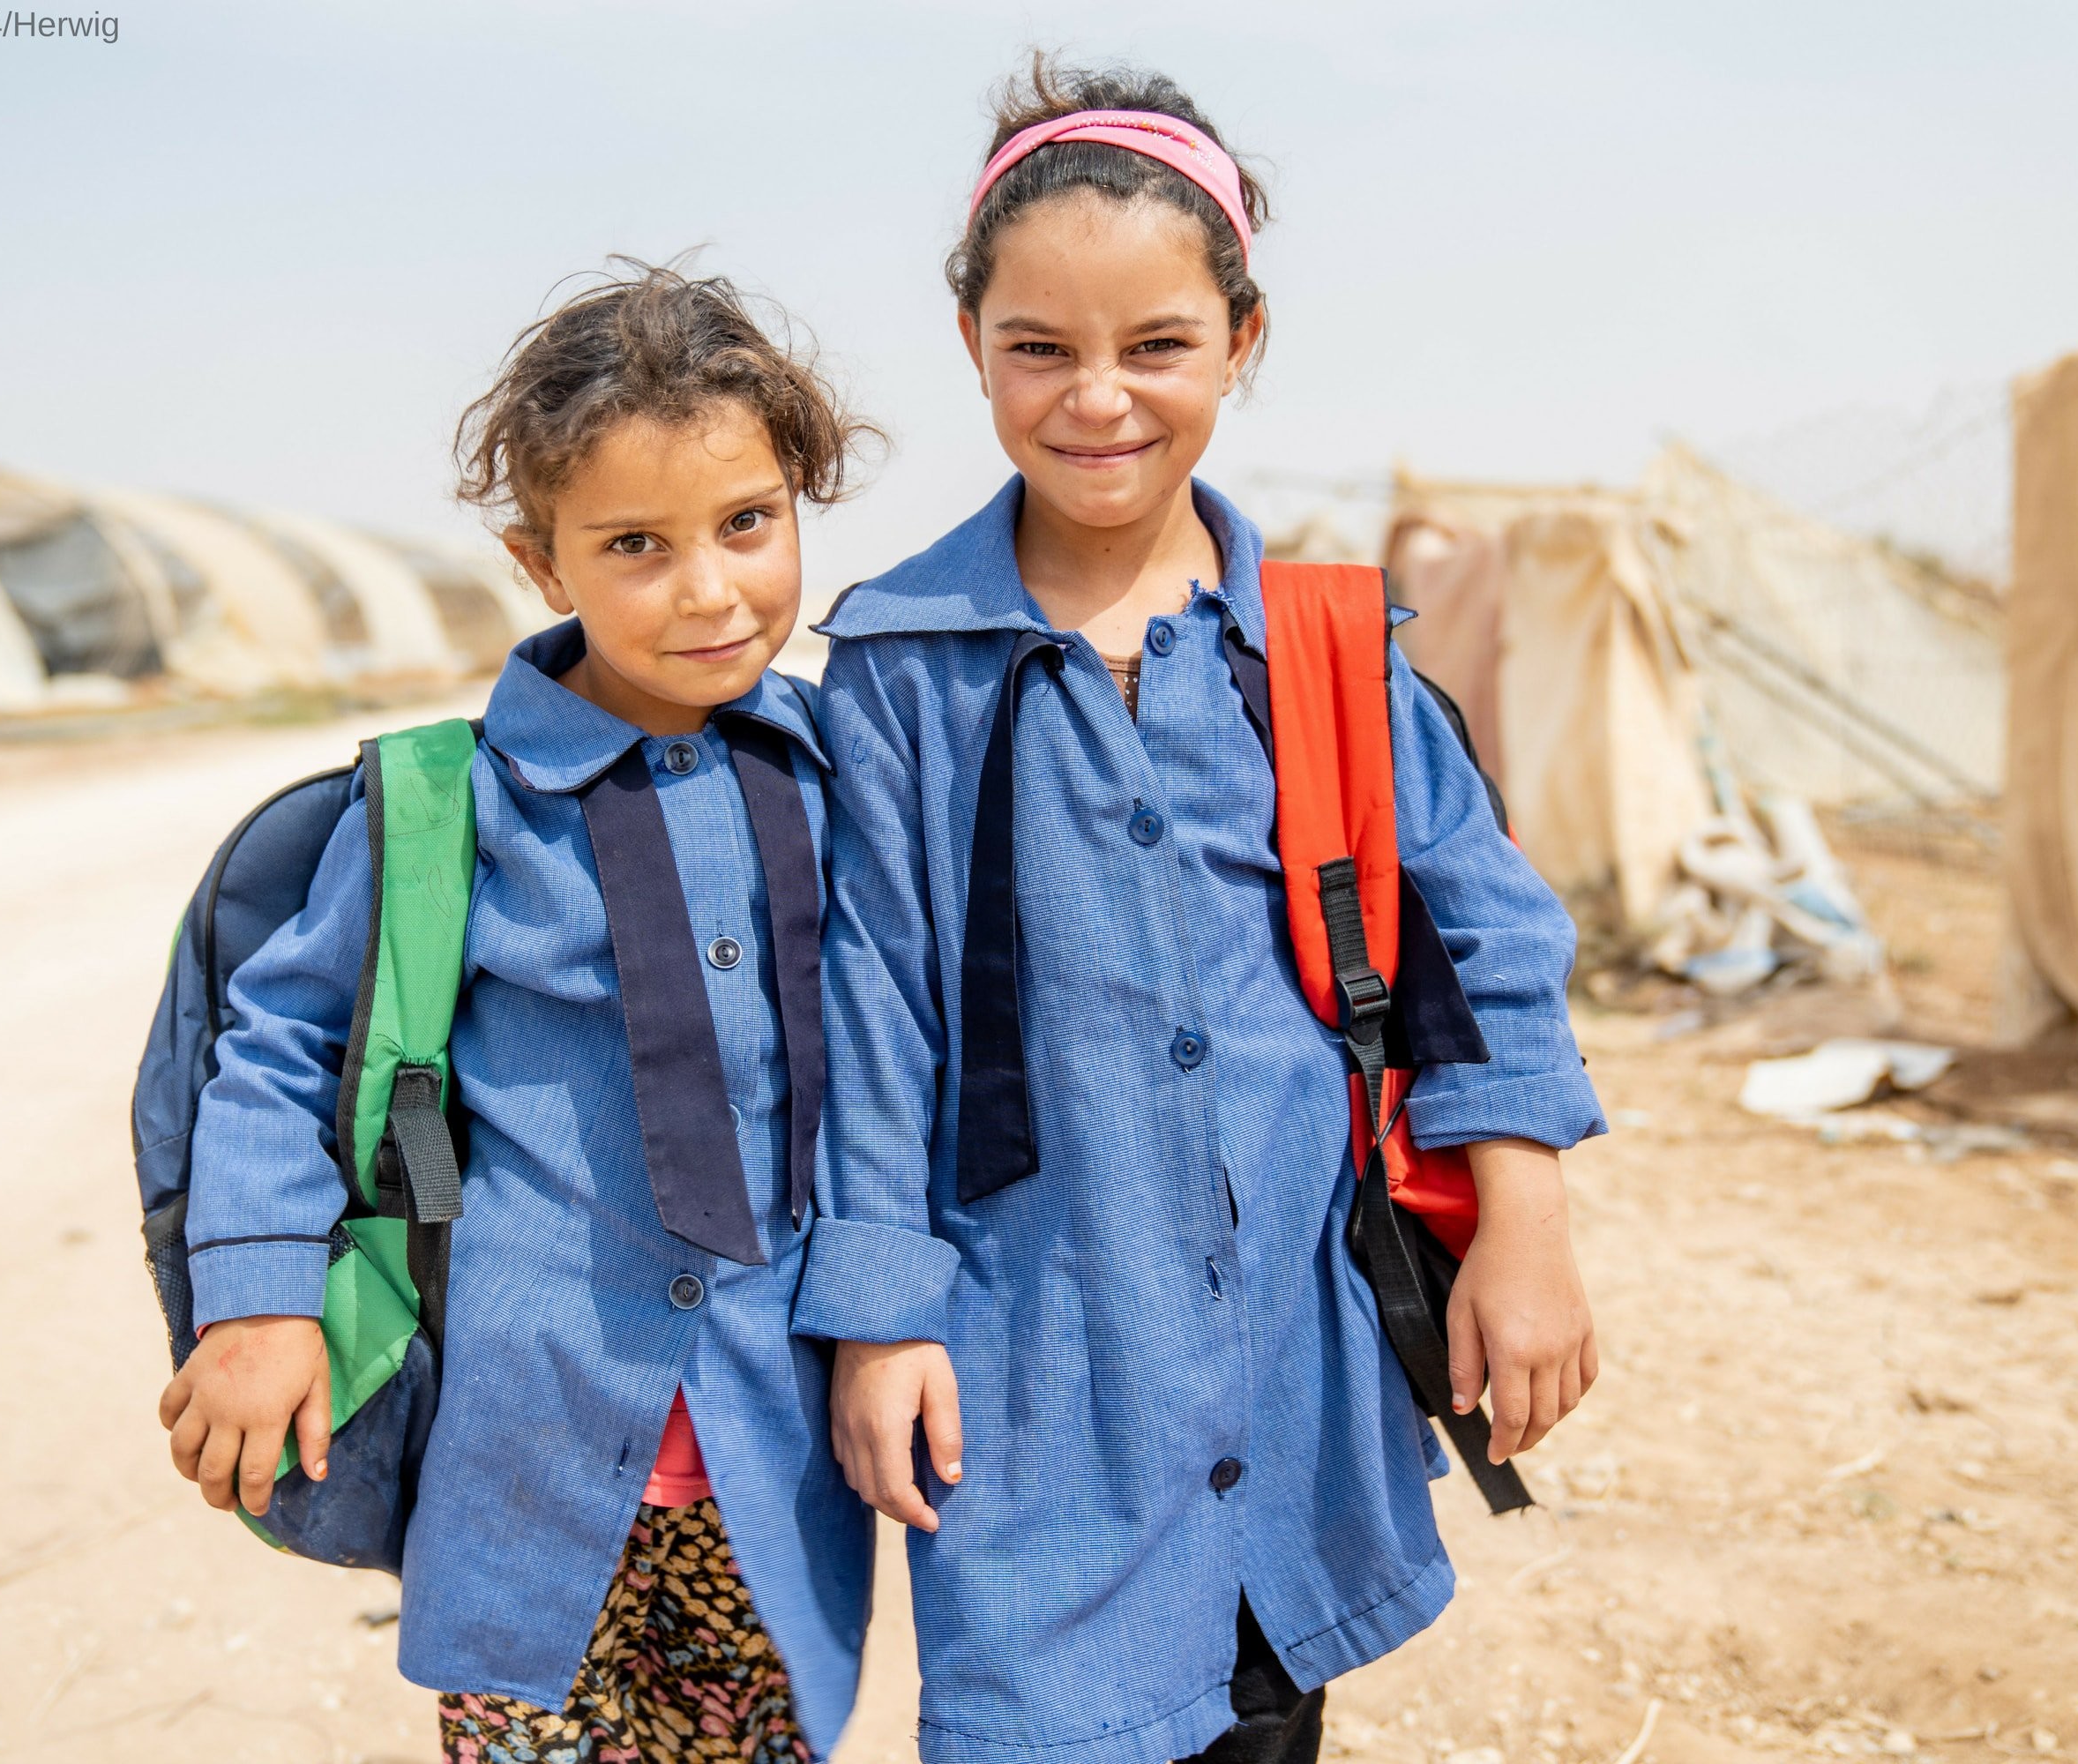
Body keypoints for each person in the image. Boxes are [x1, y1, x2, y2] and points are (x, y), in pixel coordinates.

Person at [797, 59, 1606, 1764]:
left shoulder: (1324, 647)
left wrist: (1523, 1223)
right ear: (974, 350)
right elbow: (873, 1011)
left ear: (1241, 339)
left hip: (1283, 1351)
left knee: (1261, 1716)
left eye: (1157, 344)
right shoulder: (898, 668)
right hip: (1039, 1358)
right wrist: (880, 1311)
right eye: (1042, 349)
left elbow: (1485, 939)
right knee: (1035, 1714)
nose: (1100, 397)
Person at [155, 264, 877, 1763]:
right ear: (541, 564)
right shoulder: (448, 806)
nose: (709, 587)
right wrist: (260, 1294)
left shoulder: (834, 773)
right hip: (529, 1448)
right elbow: (283, 1049)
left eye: (748, 523)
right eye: (634, 545)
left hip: (772, 1444)